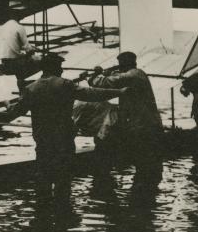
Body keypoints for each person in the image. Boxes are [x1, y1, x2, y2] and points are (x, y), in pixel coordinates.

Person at [7, 53, 124, 211]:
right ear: (54, 68)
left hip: (43, 140)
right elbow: (92, 94)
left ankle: (43, 215)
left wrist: (7, 104)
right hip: (64, 139)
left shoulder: (31, 89)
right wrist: (118, 92)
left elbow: (16, 111)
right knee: (63, 179)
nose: (62, 70)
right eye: (59, 67)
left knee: (44, 177)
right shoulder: (65, 85)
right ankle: (63, 216)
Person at [88, 51, 163, 162]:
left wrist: (97, 74)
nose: (119, 66)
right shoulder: (138, 73)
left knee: (146, 161)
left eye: (120, 63)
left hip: (144, 127)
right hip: (145, 125)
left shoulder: (133, 75)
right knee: (144, 162)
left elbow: (103, 83)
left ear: (125, 64)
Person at [0, 6, 40, 93]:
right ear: (17, 14)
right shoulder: (19, 27)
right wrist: (33, 50)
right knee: (42, 61)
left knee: (22, 58)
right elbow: (28, 49)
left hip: (4, 62)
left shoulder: (3, 27)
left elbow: (12, 44)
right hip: (15, 63)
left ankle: (22, 84)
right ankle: (37, 86)